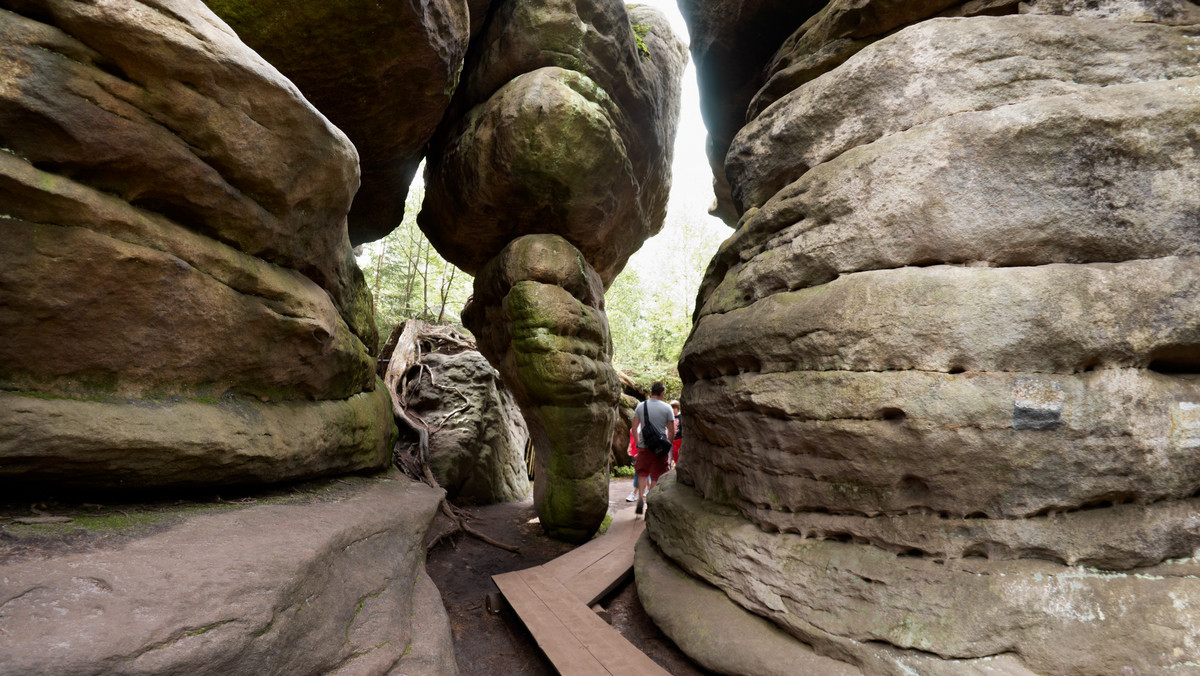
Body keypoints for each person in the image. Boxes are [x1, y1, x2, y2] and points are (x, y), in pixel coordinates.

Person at [631, 382, 675, 516]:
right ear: (662, 393)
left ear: (651, 392)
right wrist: (668, 445)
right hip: (659, 448)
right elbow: (672, 431)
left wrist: (638, 444)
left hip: (644, 446)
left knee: (642, 472)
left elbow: (634, 428)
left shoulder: (641, 406)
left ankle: (640, 499)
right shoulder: (667, 408)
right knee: (656, 474)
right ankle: (650, 503)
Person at [669, 400, 682, 468]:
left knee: (678, 457)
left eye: (674, 408)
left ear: (677, 408)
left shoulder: (681, 417)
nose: (672, 410)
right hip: (670, 440)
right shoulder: (669, 417)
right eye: (671, 408)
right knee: (669, 458)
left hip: (678, 441)